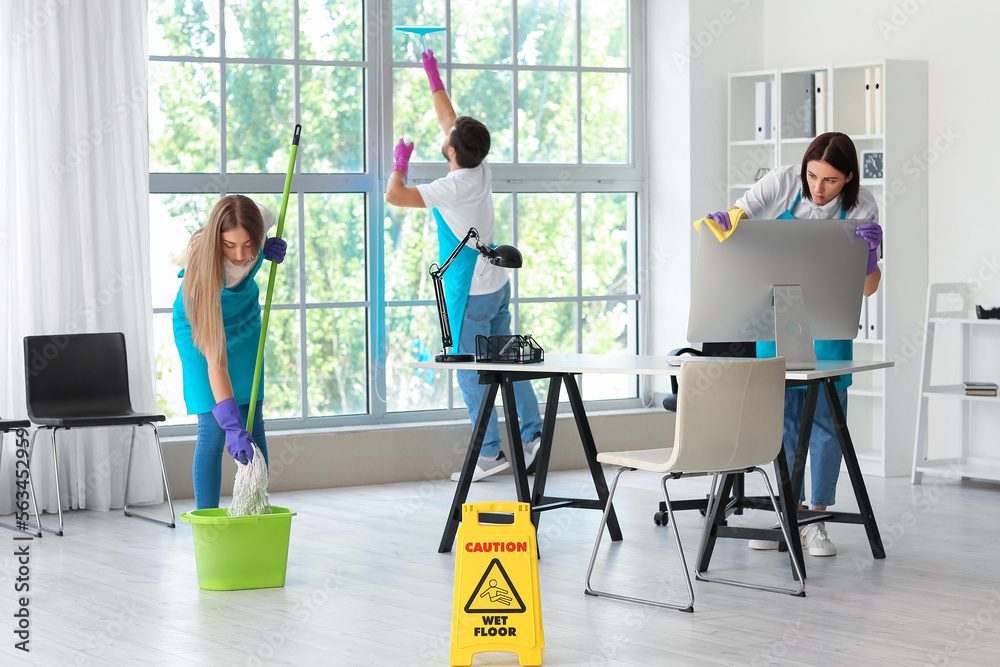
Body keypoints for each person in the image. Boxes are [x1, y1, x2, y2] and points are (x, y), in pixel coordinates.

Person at [704, 132, 882, 556]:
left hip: (829, 321)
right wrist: (726, 223)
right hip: (776, 316)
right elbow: (738, 216)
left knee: (823, 420)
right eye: (813, 176)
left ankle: (815, 520)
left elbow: (870, 290)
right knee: (782, 420)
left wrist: (871, 257)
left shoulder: (863, 206)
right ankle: (787, 514)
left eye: (830, 181)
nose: (818, 189)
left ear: (849, 179)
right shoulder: (782, 182)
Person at [385, 48, 544, 482]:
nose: (446, 133)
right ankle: (533, 435)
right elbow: (449, 120)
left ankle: (489, 453)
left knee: (470, 371)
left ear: (452, 151)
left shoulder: (450, 187)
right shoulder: (480, 169)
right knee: (509, 362)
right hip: (495, 285)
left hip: (468, 292)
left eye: (449, 138)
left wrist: (400, 163)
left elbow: (394, 196)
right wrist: (432, 77)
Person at [172, 195, 287, 509]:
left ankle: (256, 508)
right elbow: (216, 362)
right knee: (214, 427)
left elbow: (250, 244)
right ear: (216, 240)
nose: (240, 255)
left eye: (248, 244)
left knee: (253, 418)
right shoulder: (201, 271)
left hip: (245, 318)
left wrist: (264, 251)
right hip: (201, 324)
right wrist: (231, 426)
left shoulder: (260, 218)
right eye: (229, 245)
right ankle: (206, 521)